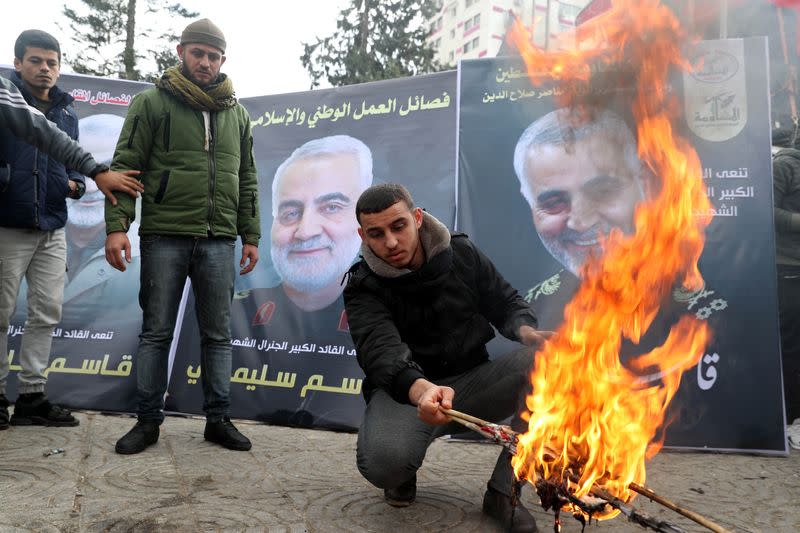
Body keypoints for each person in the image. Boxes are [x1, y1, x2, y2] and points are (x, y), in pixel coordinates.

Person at [343, 183, 551, 532]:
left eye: (398, 227)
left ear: (417, 218)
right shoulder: (362, 285)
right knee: (383, 464)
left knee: (555, 365)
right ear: (363, 235)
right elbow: (380, 351)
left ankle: (504, 491)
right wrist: (421, 389)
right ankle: (403, 472)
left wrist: (527, 332)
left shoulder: (462, 252)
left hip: (473, 386)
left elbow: (504, 301)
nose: (391, 243)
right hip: (410, 394)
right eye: (377, 234)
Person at [106, 18, 261, 454]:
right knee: (156, 333)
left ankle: (218, 420)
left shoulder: (238, 113)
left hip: (219, 241)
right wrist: (118, 227)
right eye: (198, 53)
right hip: (164, 235)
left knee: (218, 335)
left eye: (213, 56)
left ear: (223, 60)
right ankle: (148, 422)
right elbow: (126, 167)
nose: (205, 62)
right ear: (181, 52)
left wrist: (251, 234)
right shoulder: (151, 103)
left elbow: (246, 177)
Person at [0, 30, 139, 431]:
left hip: (52, 226)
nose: (44, 69)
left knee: (46, 312)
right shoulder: (8, 102)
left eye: (52, 62)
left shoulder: (66, 113)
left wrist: (77, 182)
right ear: (18, 63)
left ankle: (31, 396)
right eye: (36, 61)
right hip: (8, 224)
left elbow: (70, 164)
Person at [231, 136, 372, 371]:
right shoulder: (229, 314)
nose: (305, 232)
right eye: (290, 212)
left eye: (332, 207)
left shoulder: (391, 316)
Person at [772, 145, 800, 449]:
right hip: (789, 266)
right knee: (792, 347)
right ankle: (792, 419)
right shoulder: (785, 165)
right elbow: (767, 210)